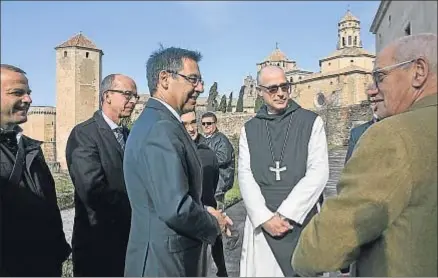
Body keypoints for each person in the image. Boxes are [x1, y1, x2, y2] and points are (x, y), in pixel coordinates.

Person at [292, 33, 438, 277]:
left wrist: (303, 256)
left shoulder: (392, 136)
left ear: (418, 71)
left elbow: (321, 248)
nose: (371, 90)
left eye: (380, 77)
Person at [123, 47, 233, 277]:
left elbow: (164, 196)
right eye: (193, 79)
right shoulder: (161, 128)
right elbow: (175, 208)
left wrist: (204, 210)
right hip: (163, 263)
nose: (200, 88)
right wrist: (213, 223)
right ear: (165, 79)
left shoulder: (157, 122)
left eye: (200, 81)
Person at [239, 65, 329, 277]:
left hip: (300, 219)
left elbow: (318, 172)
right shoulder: (249, 129)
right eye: (272, 89)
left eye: (284, 86)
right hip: (263, 225)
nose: (280, 93)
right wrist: (264, 218)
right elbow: (245, 175)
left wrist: (287, 214)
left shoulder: (311, 122)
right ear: (260, 91)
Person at [0, 64, 71, 276]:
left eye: (28, 93)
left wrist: (58, 251)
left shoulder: (30, 148)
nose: (28, 99)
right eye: (17, 93)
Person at [65, 74, 138, 276]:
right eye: (127, 95)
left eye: (135, 97)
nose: (132, 101)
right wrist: (139, 209)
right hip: (98, 245)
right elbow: (92, 190)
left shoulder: (129, 136)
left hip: (128, 242)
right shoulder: (84, 134)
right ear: (107, 96)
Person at [181, 111, 228, 277]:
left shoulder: (207, 152)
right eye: (185, 124)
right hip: (188, 212)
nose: (191, 128)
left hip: (207, 206)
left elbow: (214, 179)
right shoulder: (176, 152)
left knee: (213, 243)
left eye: (193, 123)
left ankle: (222, 270)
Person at [344, 83, 389, 163]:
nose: (375, 106)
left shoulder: (402, 127)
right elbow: (349, 170)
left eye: (378, 100)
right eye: (372, 101)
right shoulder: (357, 133)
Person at [200, 112, 235, 200]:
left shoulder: (221, 139)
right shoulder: (204, 139)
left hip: (219, 184)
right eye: (203, 123)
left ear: (215, 124)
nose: (206, 126)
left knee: (218, 210)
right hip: (209, 184)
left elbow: (223, 158)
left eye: (209, 123)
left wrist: (202, 160)